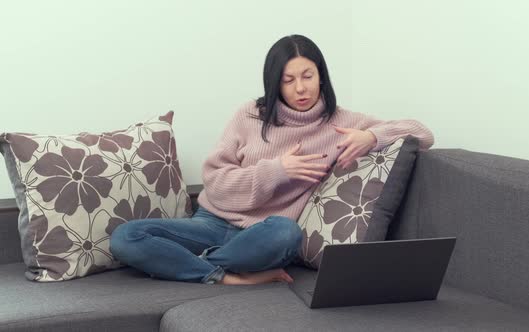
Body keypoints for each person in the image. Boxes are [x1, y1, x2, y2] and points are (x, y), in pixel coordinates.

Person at [109, 34, 434, 285]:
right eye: (288, 80)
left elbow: (421, 133)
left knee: (287, 233)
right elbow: (216, 184)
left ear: (321, 76)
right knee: (125, 237)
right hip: (209, 222)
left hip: (262, 236)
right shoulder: (250, 115)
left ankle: (189, 264)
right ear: (274, 83)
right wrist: (276, 171)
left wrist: (372, 137)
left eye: (308, 76)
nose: (301, 88)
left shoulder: (343, 122)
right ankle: (225, 275)